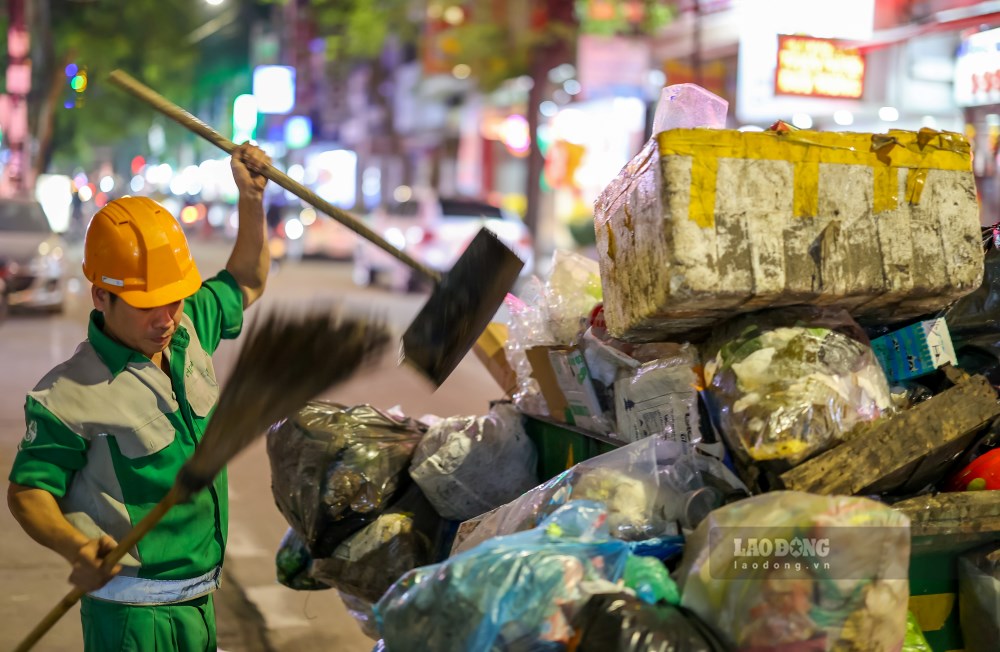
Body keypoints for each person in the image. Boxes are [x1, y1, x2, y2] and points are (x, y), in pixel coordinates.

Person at [7, 143, 271, 651]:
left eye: (173, 299)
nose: (165, 317)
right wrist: (76, 547)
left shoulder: (187, 329)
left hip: (199, 604)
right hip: (132, 620)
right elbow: (27, 493)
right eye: (147, 304)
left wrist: (251, 201)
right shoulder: (67, 396)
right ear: (100, 296)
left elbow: (246, 280)